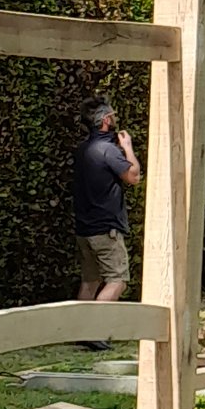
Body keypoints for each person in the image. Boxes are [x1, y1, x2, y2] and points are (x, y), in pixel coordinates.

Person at [72, 99, 141, 304]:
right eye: (112, 114)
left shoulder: (82, 150)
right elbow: (134, 176)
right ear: (105, 120)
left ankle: (83, 333)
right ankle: (96, 333)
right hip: (105, 230)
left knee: (90, 282)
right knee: (117, 280)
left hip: (84, 229)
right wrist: (127, 147)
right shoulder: (107, 150)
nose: (115, 118)